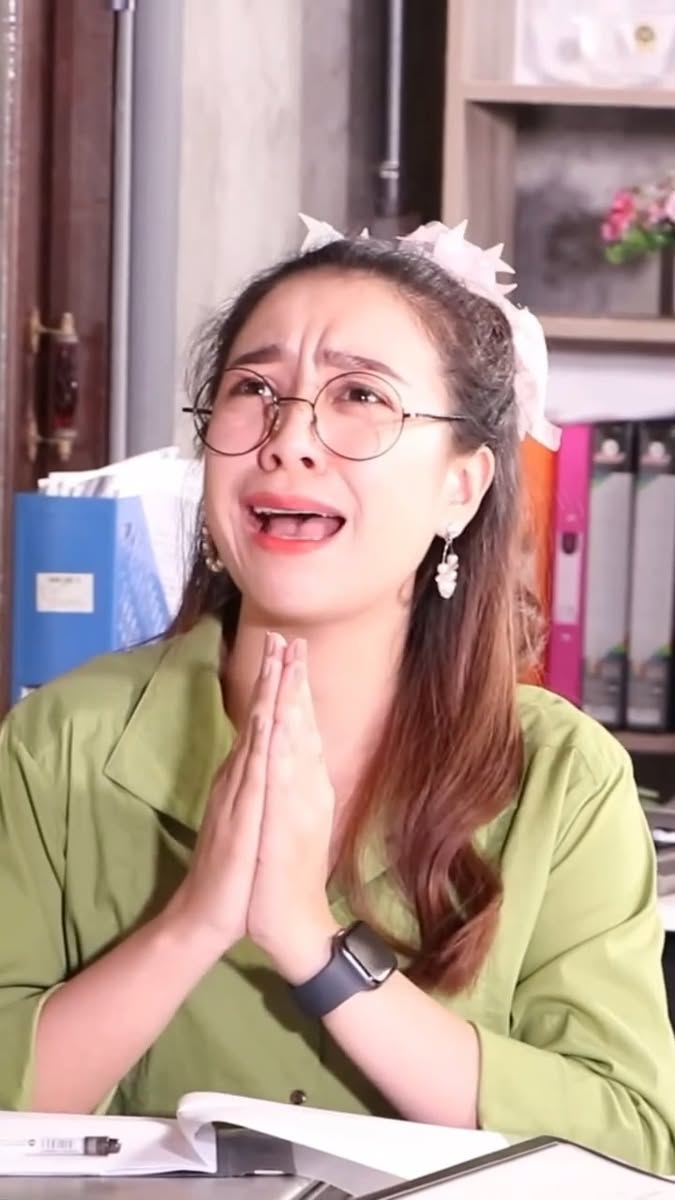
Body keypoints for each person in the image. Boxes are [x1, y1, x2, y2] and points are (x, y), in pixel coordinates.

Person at [0, 215, 674, 1175]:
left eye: (360, 395)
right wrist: (195, 922)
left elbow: (635, 1145)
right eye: (252, 390)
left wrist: (316, 948)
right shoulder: (60, 739)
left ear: (461, 487)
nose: (288, 439)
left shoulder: (563, 778)